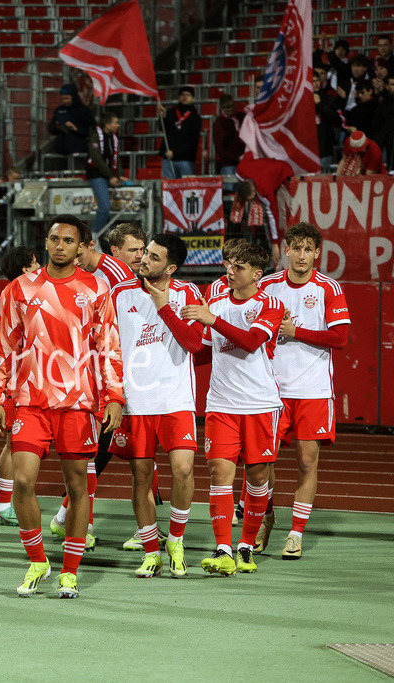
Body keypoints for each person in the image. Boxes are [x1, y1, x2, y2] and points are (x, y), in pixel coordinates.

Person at [0, 214, 123, 599]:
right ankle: (37, 561)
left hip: (78, 403)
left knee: (78, 486)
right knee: (23, 480)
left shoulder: (97, 288)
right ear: (45, 242)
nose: (59, 245)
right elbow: (4, 348)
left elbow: (109, 348)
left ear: (81, 247)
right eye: (53, 238)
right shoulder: (19, 289)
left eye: (68, 240)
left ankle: (70, 571)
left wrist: (115, 397)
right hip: (30, 401)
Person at [180, 241, 284, 576]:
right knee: (219, 473)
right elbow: (204, 349)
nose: (229, 271)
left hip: (260, 404)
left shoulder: (271, 303)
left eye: (238, 267)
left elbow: (253, 341)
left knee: (256, 478)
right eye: (228, 264)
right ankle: (224, 548)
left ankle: (246, 546)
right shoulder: (217, 299)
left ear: (257, 274)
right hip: (221, 404)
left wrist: (212, 318)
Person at [108, 234, 203, 578]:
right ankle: (150, 551)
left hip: (175, 399)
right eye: (145, 252)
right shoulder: (119, 294)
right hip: (136, 402)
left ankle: (175, 540)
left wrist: (164, 306)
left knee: (183, 471)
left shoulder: (187, 293)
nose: (144, 259)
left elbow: (194, 343)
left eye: (154, 257)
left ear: (171, 267)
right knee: (141, 479)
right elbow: (109, 346)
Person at [256, 223, 350, 559]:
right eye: (295, 248)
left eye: (308, 249)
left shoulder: (329, 287)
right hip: (271, 389)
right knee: (261, 463)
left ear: (317, 253)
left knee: (307, 463)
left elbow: (340, 338)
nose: (301, 255)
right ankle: (264, 517)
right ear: (285, 250)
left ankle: (295, 534)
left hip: (313, 389)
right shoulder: (266, 285)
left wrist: (297, 331)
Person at [49, 223, 139, 551]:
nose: (139, 261)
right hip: (98, 379)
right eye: (135, 252)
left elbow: (118, 326)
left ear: (87, 247)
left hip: (115, 374)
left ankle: (69, 518)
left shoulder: (110, 275)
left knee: (125, 450)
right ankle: (72, 521)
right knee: (106, 451)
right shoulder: (84, 277)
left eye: (74, 245)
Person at [0, 245, 40, 526]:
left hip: (18, 376)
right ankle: (1, 502)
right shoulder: (16, 292)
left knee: (13, 443)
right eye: (35, 262)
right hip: (18, 378)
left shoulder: (12, 292)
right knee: (13, 443)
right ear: (24, 269)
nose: (40, 266)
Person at [86, 110, 125, 239]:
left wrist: (120, 174)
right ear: (107, 125)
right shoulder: (95, 137)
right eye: (116, 123)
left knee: (110, 208)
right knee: (104, 207)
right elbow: (96, 159)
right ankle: (94, 236)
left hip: (107, 175)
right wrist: (110, 176)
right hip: (96, 175)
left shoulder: (113, 138)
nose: (118, 125)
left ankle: (106, 229)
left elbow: (116, 157)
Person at [159, 86, 203, 179]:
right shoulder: (170, 112)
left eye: (188, 95)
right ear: (178, 97)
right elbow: (163, 129)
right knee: (169, 190)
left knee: (187, 190)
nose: (185, 97)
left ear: (193, 98)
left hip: (186, 159)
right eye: (182, 94)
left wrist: (175, 152)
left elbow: (193, 141)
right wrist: (162, 117)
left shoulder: (196, 117)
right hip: (169, 158)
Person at [48, 83, 95, 155]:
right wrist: (58, 127)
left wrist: (75, 129)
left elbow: (92, 130)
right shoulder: (59, 110)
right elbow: (51, 129)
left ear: (74, 97)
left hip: (79, 149)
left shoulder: (83, 110)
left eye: (67, 98)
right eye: (63, 98)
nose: (65, 101)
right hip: (61, 149)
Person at [212, 94, 246, 191]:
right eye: (225, 108)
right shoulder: (219, 123)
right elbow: (219, 149)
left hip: (245, 162)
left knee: (244, 192)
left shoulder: (242, 117)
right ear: (221, 107)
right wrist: (237, 157)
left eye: (230, 107)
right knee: (230, 190)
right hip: (229, 164)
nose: (228, 110)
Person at [312, 68, 342, 169]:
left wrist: (320, 104)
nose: (315, 84)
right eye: (312, 81)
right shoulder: (301, 100)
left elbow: (337, 120)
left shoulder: (328, 98)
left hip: (324, 148)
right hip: (306, 150)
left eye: (317, 80)